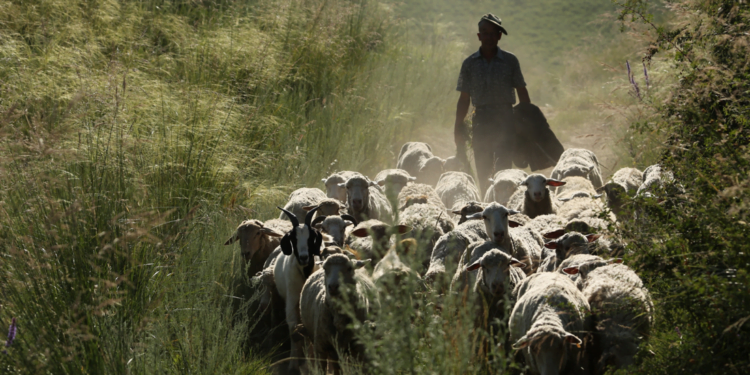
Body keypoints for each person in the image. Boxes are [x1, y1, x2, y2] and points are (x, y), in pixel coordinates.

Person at [454, 13, 530, 193]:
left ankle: (504, 209)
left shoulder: (510, 61)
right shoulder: (469, 63)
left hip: (506, 120)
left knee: (504, 168)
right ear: (479, 36)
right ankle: (487, 206)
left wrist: (527, 123)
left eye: (492, 32)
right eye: (484, 32)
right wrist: (458, 127)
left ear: (499, 35)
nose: (488, 36)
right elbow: (464, 99)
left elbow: (522, 91)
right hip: (480, 121)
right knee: (483, 168)